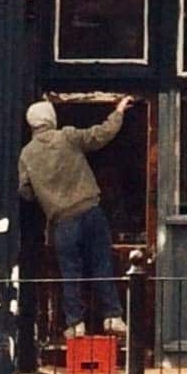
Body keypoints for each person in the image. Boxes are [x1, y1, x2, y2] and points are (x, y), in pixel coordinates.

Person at [19, 97, 133, 339]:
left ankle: (76, 324)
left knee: (70, 271)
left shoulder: (27, 155)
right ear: (51, 118)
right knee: (101, 263)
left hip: (62, 222)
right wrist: (119, 111)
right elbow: (100, 135)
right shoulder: (67, 136)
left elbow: (26, 192)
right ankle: (112, 317)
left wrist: (46, 190)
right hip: (90, 211)